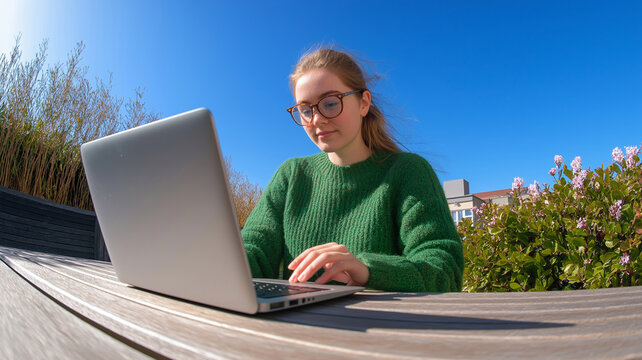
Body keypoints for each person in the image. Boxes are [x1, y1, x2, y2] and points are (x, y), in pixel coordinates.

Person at [240, 46, 464, 292]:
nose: (316, 119)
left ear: (363, 103)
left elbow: (444, 271)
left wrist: (367, 270)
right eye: (305, 110)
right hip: (291, 325)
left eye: (330, 103)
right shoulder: (291, 175)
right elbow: (254, 249)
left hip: (384, 326)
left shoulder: (408, 172)